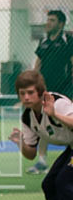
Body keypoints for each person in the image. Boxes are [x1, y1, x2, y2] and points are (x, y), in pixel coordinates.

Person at [8, 70, 73, 200]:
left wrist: (54, 114)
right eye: (22, 93)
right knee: (49, 184)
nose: (26, 97)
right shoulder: (28, 117)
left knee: (64, 182)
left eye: (30, 92)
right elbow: (31, 154)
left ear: (40, 92)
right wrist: (20, 141)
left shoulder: (58, 103)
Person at [29, 10, 73, 174]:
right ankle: (41, 161)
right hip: (46, 90)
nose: (48, 23)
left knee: (67, 123)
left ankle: (70, 158)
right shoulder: (44, 42)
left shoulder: (68, 41)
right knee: (42, 123)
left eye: (52, 20)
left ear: (61, 24)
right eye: (48, 19)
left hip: (65, 90)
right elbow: (38, 64)